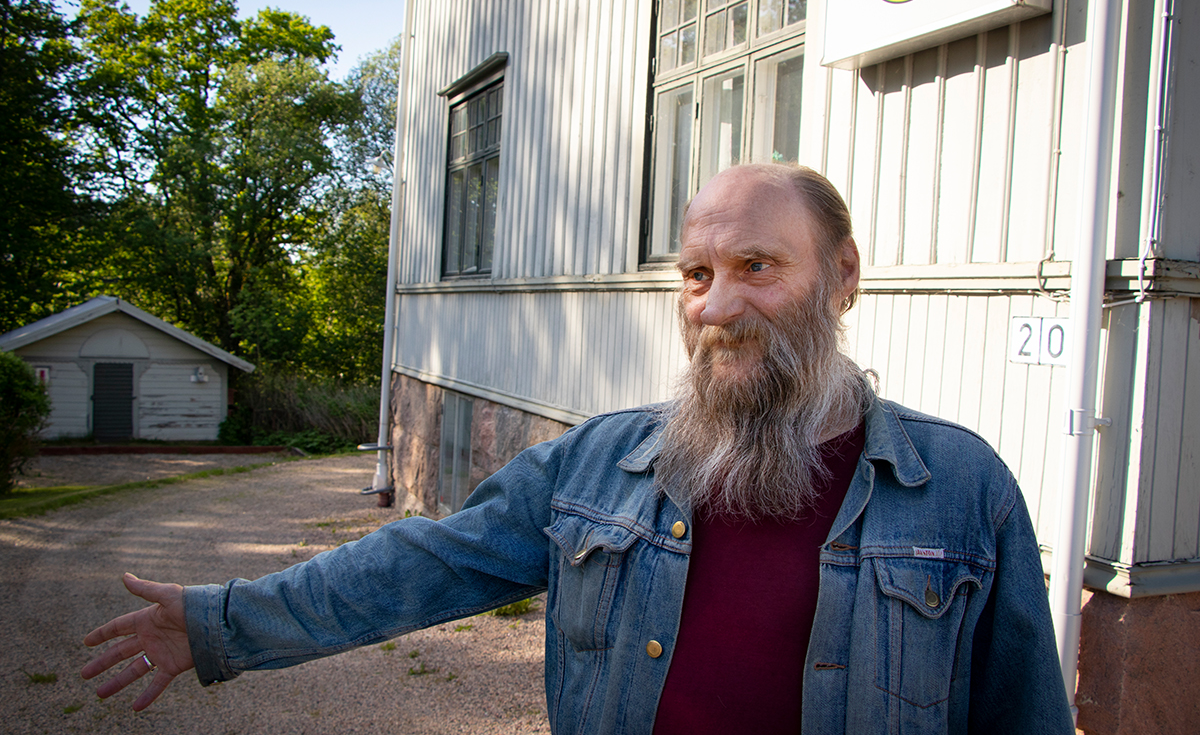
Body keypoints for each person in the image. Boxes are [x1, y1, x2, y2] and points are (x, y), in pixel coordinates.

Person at [82, 163, 1074, 734]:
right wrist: (226, 622)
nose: (717, 306)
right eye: (695, 273)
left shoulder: (961, 492)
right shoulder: (600, 466)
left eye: (757, 267)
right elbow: (416, 566)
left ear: (843, 276)